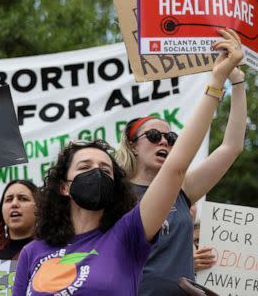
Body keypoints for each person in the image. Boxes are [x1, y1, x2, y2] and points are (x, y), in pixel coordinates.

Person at [13, 28, 243, 296]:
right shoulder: (33, 252)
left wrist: (218, 82)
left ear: (114, 184)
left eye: (105, 169)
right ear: (63, 186)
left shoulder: (127, 235)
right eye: (85, 167)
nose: (96, 173)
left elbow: (177, 166)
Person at [115, 29, 246, 295]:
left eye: (171, 137)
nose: (164, 142)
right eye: (153, 136)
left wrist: (239, 83)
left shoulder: (182, 189)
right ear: (132, 145)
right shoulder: (113, 193)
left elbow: (231, 147)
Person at [0, 180, 37, 260]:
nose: (14, 204)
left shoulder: (53, 251)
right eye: (9, 199)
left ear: (39, 207)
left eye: (23, 199)